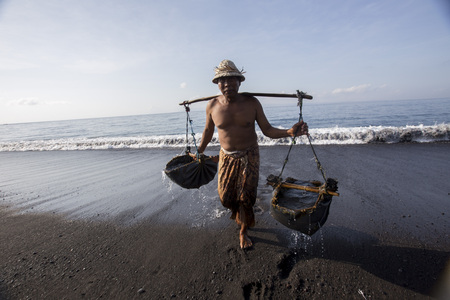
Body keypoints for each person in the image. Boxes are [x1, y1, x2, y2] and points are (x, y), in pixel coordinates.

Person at [196, 59, 309, 249]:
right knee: (225, 198)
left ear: (240, 82)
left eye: (232, 80)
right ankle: (239, 214)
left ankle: (243, 230)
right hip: (226, 156)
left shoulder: (251, 103)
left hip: (250, 155)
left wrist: (288, 132)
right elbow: (208, 131)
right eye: (222, 81)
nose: (227, 84)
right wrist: (199, 151)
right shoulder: (212, 106)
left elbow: (267, 130)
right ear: (217, 84)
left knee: (246, 197)